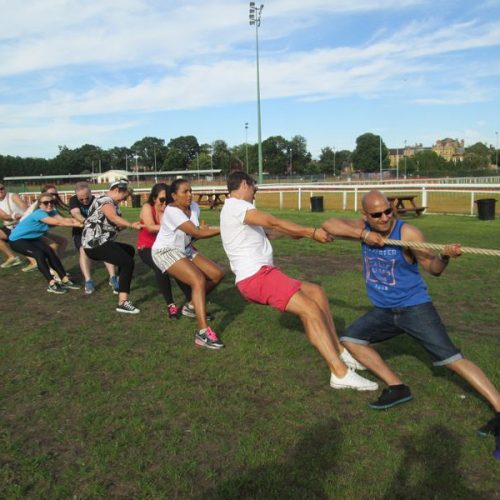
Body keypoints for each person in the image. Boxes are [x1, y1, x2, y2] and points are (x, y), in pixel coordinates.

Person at [321, 189, 500, 435]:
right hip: (384, 310)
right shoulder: (363, 228)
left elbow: (434, 268)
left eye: (388, 211)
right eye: (377, 214)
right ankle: (397, 387)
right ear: (365, 215)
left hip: (415, 308)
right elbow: (328, 224)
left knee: (452, 360)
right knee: (351, 339)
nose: (384, 218)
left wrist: (445, 256)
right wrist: (364, 234)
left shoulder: (407, 233)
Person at [219, 170, 378, 390]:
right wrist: (311, 232)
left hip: (261, 274)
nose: (255, 191)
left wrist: (302, 233)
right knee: (311, 310)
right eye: (254, 186)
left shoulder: (237, 212)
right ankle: (339, 373)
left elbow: (272, 231)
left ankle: (341, 352)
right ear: (245, 184)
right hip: (256, 276)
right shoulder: (237, 206)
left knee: (316, 292)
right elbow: (273, 222)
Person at [152, 178, 224, 348]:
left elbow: (194, 234)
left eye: (191, 190)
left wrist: (207, 230)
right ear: (174, 196)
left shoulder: (194, 207)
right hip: (165, 251)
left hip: (185, 248)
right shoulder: (171, 210)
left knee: (216, 274)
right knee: (198, 280)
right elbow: (195, 232)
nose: (190, 195)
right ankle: (202, 333)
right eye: (185, 192)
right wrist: (225, 229)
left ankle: (191, 306)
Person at [82, 179, 142, 313]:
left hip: (100, 243)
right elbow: (113, 218)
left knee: (129, 251)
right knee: (128, 263)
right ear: (116, 190)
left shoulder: (113, 204)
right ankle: (123, 302)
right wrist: (131, 225)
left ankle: (119, 286)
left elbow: (115, 225)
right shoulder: (105, 201)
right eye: (124, 196)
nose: (124, 200)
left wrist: (132, 225)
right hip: (95, 244)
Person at [8, 193, 82, 293]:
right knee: (39, 254)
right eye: (46, 202)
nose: (49, 204)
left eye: (52, 202)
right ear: (40, 204)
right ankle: (51, 284)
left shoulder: (52, 211)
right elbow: (58, 223)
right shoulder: (39, 213)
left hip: (32, 238)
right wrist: (80, 225)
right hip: (17, 240)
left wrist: (83, 221)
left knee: (50, 252)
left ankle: (65, 279)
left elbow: (64, 220)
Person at [137, 183, 192, 319]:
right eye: (161, 199)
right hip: (147, 246)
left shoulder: (171, 209)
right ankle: (171, 305)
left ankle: (192, 302)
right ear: (154, 198)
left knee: (179, 265)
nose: (164, 203)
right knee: (161, 266)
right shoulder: (147, 207)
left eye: (167, 199)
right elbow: (150, 227)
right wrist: (175, 226)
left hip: (169, 246)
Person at [69, 181, 118, 294]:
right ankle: (88, 280)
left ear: (91, 193)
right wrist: (86, 221)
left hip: (97, 230)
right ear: (77, 196)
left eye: (87, 198)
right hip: (80, 232)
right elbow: (75, 213)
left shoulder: (97, 201)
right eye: (82, 199)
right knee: (83, 250)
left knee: (106, 249)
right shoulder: (73, 200)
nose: (85, 201)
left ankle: (113, 277)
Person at [0, 181, 26, 269]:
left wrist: (24, 214)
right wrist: (14, 215)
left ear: (4, 189)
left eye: (1, 188)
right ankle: (12, 257)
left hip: (22, 225)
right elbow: (4, 216)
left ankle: (35, 260)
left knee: (20, 242)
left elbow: (23, 206)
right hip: (10, 226)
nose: (0, 191)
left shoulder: (12, 196)